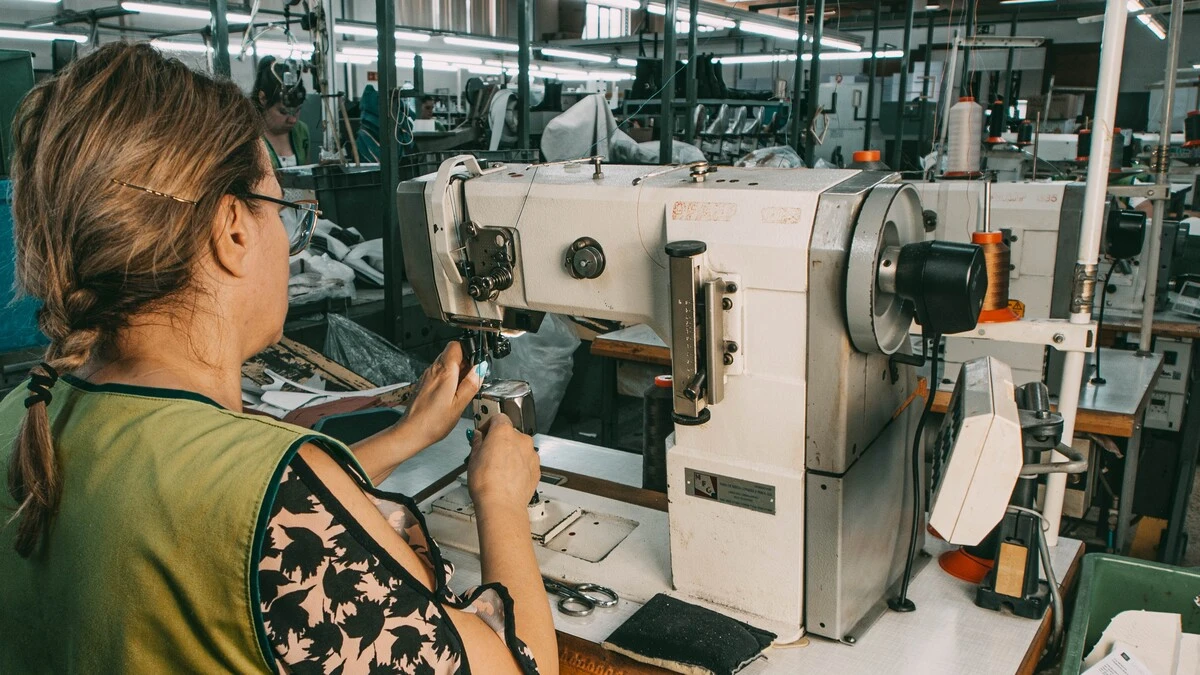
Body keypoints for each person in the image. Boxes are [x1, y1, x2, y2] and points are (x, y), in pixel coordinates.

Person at [0, 42, 557, 675]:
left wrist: (407, 437)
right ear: (232, 229)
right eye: (285, 214)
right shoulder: (282, 504)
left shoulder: (21, 418)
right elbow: (521, 668)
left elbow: (205, 510)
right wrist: (502, 499)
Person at [253, 56, 311, 168]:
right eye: (283, 112)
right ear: (263, 98)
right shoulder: (250, 135)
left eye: (297, 111)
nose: (293, 120)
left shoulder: (301, 132)